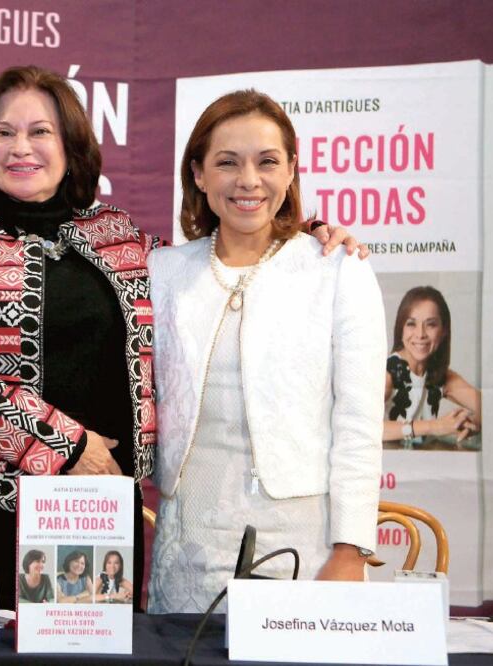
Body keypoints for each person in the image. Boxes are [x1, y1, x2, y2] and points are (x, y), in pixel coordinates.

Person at [0, 67, 361, 611]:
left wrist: (306, 237)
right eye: (3, 133)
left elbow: (223, 257)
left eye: (40, 132)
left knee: (89, 656)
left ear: (71, 146)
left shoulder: (120, 237)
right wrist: (68, 445)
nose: (20, 148)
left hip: (94, 518)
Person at [148, 90, 385, 613]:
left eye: (267, 161)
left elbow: (359, 426)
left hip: (305, 545)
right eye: (227, 162)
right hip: (188, 541)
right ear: (199, 174)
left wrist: (351, 551)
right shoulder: (160, 272)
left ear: (292, 170)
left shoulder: (338, 269)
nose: (248, 180)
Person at [384, 286, 481, 449]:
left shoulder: (440, 376)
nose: (420, 334)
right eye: (411, 324)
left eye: (431, 325)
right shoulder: (387, 372)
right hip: (386, 467)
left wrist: (472, 425)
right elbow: (363, 427)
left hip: (424, 464)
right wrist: (434, 427)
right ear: (401, 329)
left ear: (443, 331)